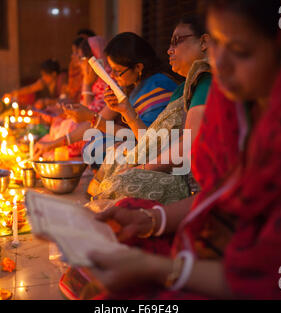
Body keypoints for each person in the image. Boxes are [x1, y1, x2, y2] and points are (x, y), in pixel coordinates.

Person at [83, 0, 281, 299]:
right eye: (216, 43)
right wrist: (151, 220)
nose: (221, 64)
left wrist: (158, 268)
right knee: (126, 222)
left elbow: (278, 280)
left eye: (241, 50)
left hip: (267, 279)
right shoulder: (239, 107)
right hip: (226, 247)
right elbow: (223, 193)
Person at [87, 15, 213, 204]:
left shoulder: (204, 81)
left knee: (122, 180)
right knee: (116, 162)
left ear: (204, 42)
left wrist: (143, 168)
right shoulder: (183, 88)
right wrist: (126, 111)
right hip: (157, 162)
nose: (169, 50)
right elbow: (153, 142)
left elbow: (189, 144)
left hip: (181, 178)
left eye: (176, 42)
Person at [34, 32, 178, 161]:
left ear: (138, 68)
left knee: (100, 149)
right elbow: (100, 120)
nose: (113, 76)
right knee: (94, 144)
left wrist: (94, 118)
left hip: (160, 153)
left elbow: (149, 143)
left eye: (117, 71)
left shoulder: (158, 85)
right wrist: (53, 144)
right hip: (138, 143)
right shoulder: (129, 85)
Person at [37, 36, 110, 159]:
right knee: (60, 123)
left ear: (94, 58)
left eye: (81, 57)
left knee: (71, 129)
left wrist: (86, 84)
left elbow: (90, 117)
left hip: (102, 132)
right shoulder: (97, 80)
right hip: (93, 125)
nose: (78, 62)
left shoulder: (109, 81)